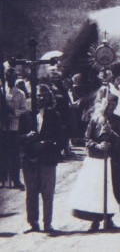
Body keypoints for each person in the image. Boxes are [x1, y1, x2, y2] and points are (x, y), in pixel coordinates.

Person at [70, 93, 120, 232]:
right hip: (97, 159)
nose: (110, 107)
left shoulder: (118, 120)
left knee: (113, 188)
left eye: (114, 105)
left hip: (113, 160)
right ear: (103, 103)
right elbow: (87, 139)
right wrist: (98, 146)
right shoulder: (95, 119)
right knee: (95, 190)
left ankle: (109, 218)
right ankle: (94, 220)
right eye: (109, 104)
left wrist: (111, 133)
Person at [20, 84, 64, 233]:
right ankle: (33, 223)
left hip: (47, 159)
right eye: (37, 95)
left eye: (43, 95)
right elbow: (16, 139)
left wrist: (45, 144)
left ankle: (48, 223)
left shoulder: (55, 115)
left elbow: (61, 139)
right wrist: (27, 138)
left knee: (47, 193)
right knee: (31, 193)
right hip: (30, 160)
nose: (40, 98)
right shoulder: (26, 115)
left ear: (48, 97)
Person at [1, 68, 27, 190]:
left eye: (12, 77)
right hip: (2, 127)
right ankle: (2, 179)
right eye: (8, 77)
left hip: (13, 127)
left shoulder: (20, 93)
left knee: (14, 155)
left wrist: (13, 112)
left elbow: (24, 109)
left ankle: (16, 179)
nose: (10, 79)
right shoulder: (1, 91)